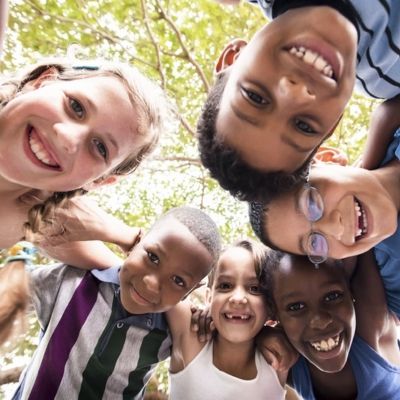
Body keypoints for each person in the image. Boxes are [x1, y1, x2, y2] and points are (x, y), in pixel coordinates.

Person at [11, 206, 221, 399]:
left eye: (178, 281)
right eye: (153, 257)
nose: (151, 283)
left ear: (189, 292)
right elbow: (36, 214)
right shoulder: (73, 281)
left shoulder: (170, 334)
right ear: (135, 244)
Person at [198, 0, 400, 201]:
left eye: (255, 97)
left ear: (233, 57)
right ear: (333, 124)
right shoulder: (388, 77)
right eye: (304, 126)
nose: (297, 93)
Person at [0, 57, 170, 268]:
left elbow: (138, 283)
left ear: (100, 181)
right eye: (76, 107)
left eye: (100, 148)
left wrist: (125, 235)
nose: (67, 138)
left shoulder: (43, 217)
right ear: (41, 81)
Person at [260, 250, 400, 399]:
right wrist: (261, 336)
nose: (320, 321)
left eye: (332, 296)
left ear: (350, 290)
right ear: (274, 314)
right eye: (296, 307)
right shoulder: (285, 361)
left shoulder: (370, 324)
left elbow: (366, 244)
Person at [167, 238, 287, 400]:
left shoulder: (279, 358)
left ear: (271, 307)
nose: (237, 298)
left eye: (254, 288)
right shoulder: (191, 335)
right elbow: (157, 268)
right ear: (209, 298)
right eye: (225, 286)